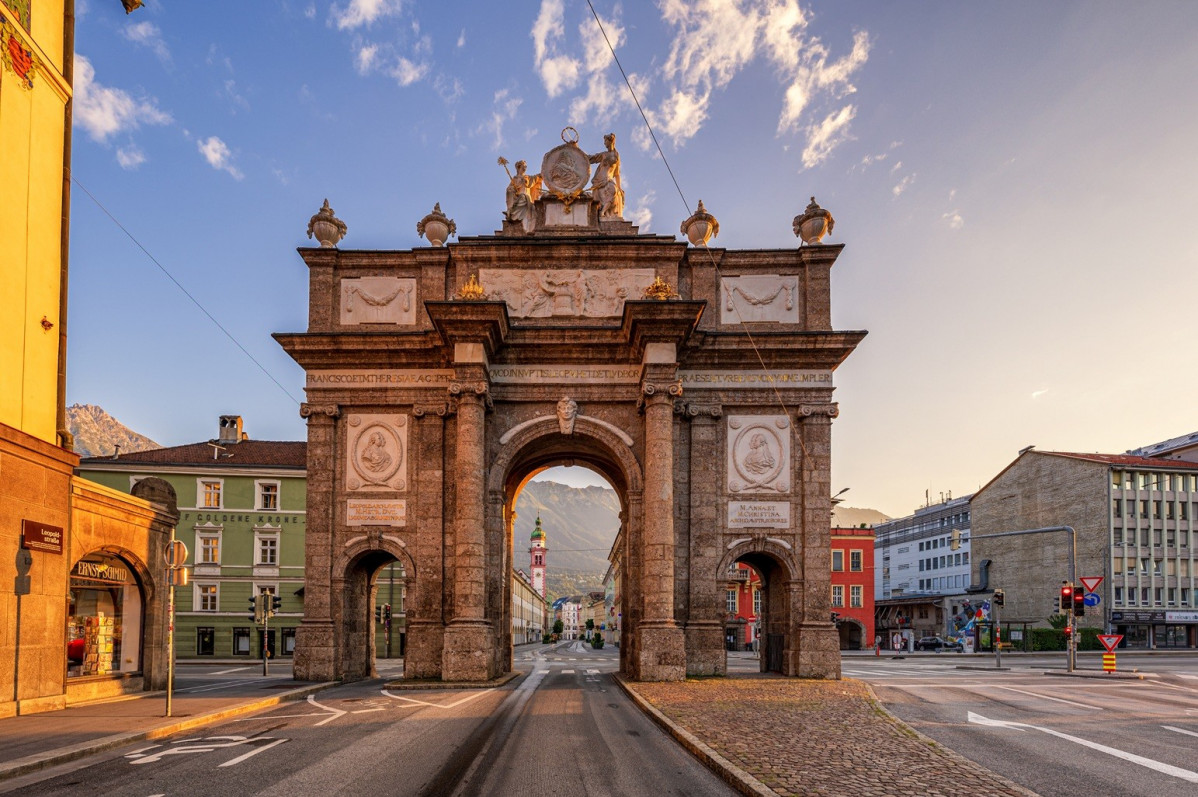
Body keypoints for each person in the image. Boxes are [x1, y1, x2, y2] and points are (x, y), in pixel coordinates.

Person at [588, 133, 624, 218]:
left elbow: (617, 174)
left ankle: (603, 212)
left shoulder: (616, 156)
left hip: (609, 179)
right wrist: (578, 152)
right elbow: (591, 159)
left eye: (605, 141)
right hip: (599, 179)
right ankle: (602, 213)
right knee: (598, 199)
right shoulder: (603, 154)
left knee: (614, 191)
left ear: (610, 141)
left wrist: (619, 187)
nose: (604, 143)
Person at [505, 160, 542, 233]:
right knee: (521, 196)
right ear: (519, 167)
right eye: (523, 166)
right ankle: (513, 214)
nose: (525, 167)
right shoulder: (515, 179)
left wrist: (542, 174)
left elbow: (536, 178)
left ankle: (525, 222)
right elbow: (509, 189)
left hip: (526, 197)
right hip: (518, 197)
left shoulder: (527, 177)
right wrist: (512, 189)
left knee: (523, 197)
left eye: (525, 166)